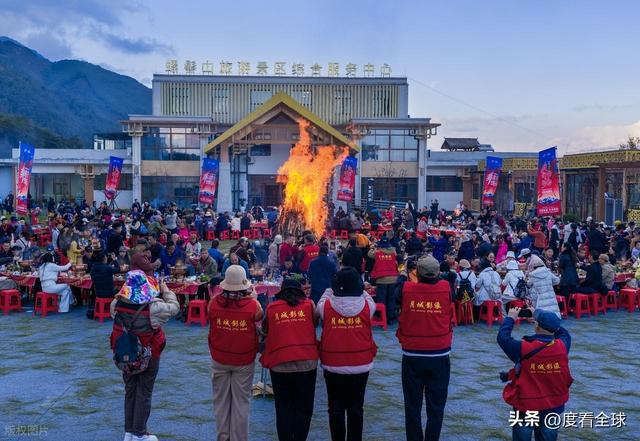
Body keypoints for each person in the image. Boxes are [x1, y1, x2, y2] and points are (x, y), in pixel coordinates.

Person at [110, 270, 179, 441]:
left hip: (125, 354)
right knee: (144, 392)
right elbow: (174, 308)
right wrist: (166, 291)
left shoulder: (116, 304)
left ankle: (129, 432)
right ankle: (139, 433)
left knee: (130, 390)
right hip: (149, 354)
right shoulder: (154, 307)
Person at [396, 256, 453, 441]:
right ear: (437, 274)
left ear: (417, 273)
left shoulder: (406, 289)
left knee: (412, 405)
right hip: (439, 354)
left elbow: (397, 294)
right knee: (436, 406)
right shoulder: (446, 288)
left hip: (412, 354)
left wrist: (404, 273)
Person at [317, 267, 377, 441]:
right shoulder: (368, 306)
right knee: (356, 408)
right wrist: (362, 289)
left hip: (333, 364)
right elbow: (366, 294)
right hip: (361, 364)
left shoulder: (325, 306)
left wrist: (330, 289)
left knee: (335, 408)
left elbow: (323, 298)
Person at [498, 307, 573, 441]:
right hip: (553, 405)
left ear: (536, 326)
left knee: (521, 436)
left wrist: (510, 319)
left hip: (525, 405)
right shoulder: (562, 346)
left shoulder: (523, 348)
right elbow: (564, 334)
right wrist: (551, 324)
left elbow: (503, 338)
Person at [208, 265, 263, 441]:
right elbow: (259, 318)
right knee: (241, 402)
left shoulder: (213, 303)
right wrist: (253, 297)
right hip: (244, 360)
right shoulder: (253, 305)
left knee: (221, 402)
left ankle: (223, 437)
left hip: (219, 358)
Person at [260, 278, 319, 441]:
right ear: (300, 292)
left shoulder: (272, 308)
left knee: (283, 407)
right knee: (304, 407)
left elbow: (265, 330)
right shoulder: (309, 305)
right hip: (307, 363)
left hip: (280, 365)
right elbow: (315, 323)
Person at [369, 236, 399, 325]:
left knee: (381, 299)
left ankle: (382, 317)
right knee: (391, 299)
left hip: (381, 279)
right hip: (393, 279)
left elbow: (369, 254)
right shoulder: (393, 252)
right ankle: (391, 318)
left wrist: (373, 247)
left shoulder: (377, 253)